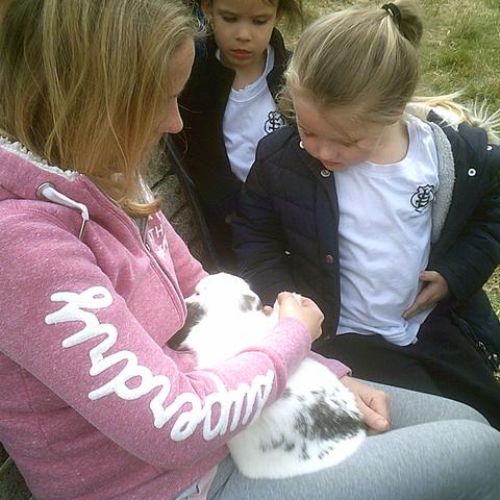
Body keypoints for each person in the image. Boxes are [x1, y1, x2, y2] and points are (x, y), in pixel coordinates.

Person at [0, 1, 500, 499]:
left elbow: (205, 286)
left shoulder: (105, 175)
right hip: (176, 482)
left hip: (235, 415)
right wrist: (291, 342)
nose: (175, 124)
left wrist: (319, 371)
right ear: (95, 99)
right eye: (161, 99)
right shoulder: (24, 250)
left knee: (466, 421)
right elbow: (174, 425)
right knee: (480, 452)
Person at [233, 0, 500, 429]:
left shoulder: (450, 159)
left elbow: (491, 214)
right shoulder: (281, 159)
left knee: (485, 417)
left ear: (393, 113)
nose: (322, 151)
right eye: (308, 130)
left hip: (430, 328)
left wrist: (457, 271)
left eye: (345, 141)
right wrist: (285, 307)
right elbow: (254, 235)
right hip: (345, 338)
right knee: (421, 435)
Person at [171, 0, 302, 270]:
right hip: (232, 228)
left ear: (277, 15)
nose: (243, 34)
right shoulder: (194, 80)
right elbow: (195, 154)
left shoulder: (296, 74)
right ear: (208, 9)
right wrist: (234, 208)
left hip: (295, 218)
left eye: (259, 21)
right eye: (230, 18)